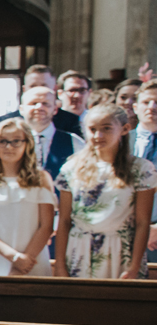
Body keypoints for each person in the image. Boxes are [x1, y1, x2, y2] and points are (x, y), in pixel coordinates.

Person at [53, 103, 156, 280]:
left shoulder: (140, 169)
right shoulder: (71, 168)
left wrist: (134, 266)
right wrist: (60, 266)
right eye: (92, 129)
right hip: (80, 250)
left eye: (106, 128)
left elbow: (142, 222)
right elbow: (64, 221)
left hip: (121, 250)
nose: (98, 135)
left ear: (124, 129)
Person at [0, 117, 56, 276]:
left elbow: (46, 225)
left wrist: (26, 259)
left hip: (32, 260)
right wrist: (13, 257)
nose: (9, 147)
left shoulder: (40, 178)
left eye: (16, 141)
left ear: (27, 144)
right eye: (3, 141)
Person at [0, 64, 82, 136]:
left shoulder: (69, 121)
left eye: (44, 86)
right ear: (24, 89)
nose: (38, 89)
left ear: (54, 88)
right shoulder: (6, 121)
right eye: (33, 86)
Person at [18, 86, 78, 182]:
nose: (39, 107)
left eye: (45, 104)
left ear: (55, 109)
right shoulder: (9, 142)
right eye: (33, 103)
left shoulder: (75, 142)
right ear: (21, 109)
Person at [135, 83, 157, 265]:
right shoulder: (119, 141)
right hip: (123, 231)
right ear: (135, 107)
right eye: (146, 102)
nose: (152, 107)